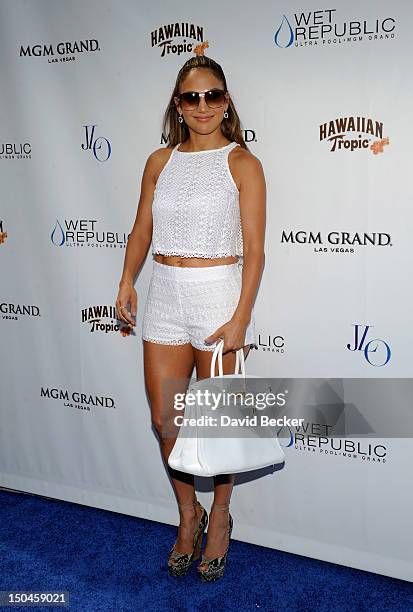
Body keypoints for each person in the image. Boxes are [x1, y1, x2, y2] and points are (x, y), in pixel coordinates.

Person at [116, 45, 266, 582]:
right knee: (165, 421)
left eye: (213, 95)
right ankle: (188, 515)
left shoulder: (243, 162)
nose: (203, 105)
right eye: (191, 97)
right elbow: (140, 230)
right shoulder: (160, 161)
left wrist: (242, 316)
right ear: (177, 105)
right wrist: (127, 280)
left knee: (220, 426)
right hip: (165, 293)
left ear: (227, 102)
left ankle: (220, 520)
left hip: (218, 294)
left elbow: (255, 248)